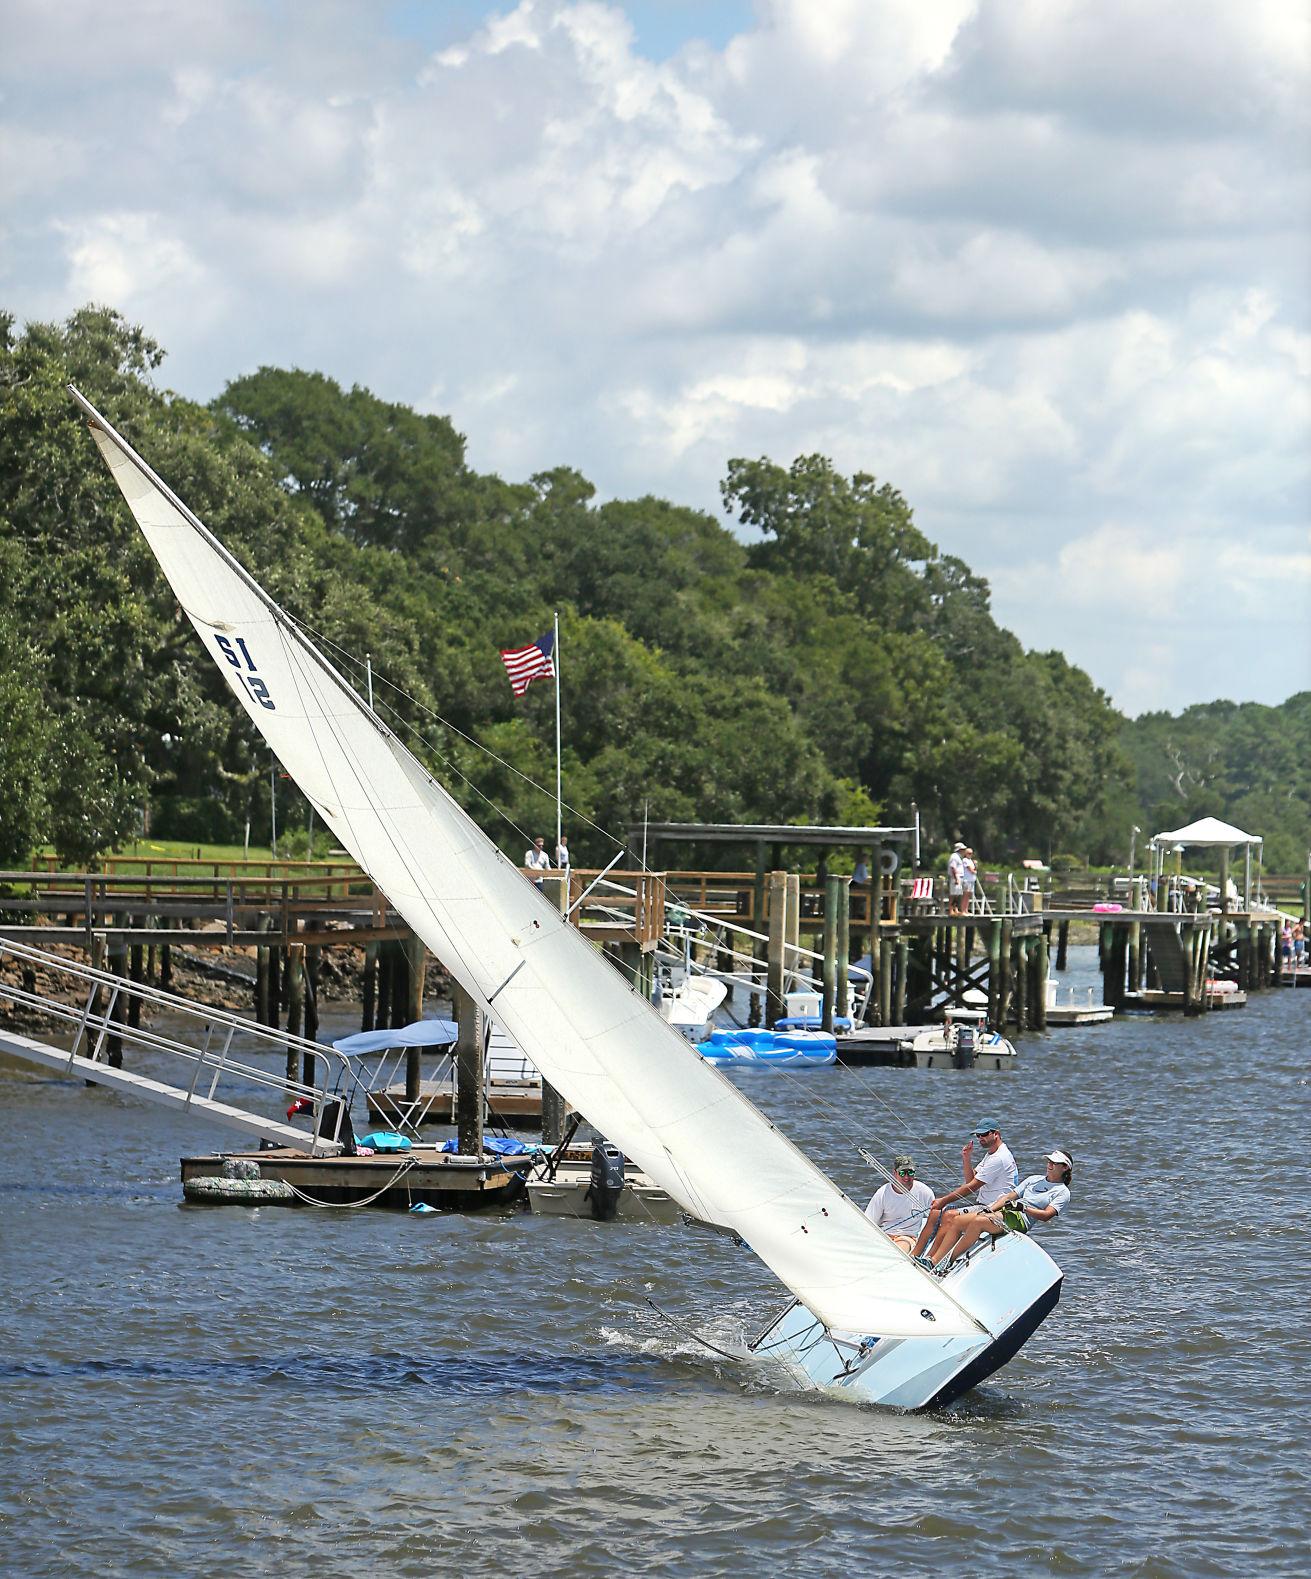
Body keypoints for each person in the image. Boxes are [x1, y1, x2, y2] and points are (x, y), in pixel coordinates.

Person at [926, 1150, 1073, 1269]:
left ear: (1065, 1168)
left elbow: (1047, 1215)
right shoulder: (1034, 1179)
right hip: (1005, 1213)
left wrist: (1023, 1208)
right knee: (957, 1220)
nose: (1050, 1165)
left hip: (1021, 1221)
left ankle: (947, 1262)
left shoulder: (1062, 1192)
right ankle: (933, 1260)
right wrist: (990, 1209)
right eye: (1049, 1161)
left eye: (1055, 1163)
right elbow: (1008, 1197)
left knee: (978, 1222)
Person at [911, 1121, 1018, 1260]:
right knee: (936, 1213)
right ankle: (917, 1254)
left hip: (993, 1208)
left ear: (996, 1134)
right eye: (978, 1135)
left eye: (984, 1134)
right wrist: (966, 1158)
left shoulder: (999, 1158)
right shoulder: (992, 1154)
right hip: (982, 1204)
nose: (980, 1138)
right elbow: (971, 1180)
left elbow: (972, 1187)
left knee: (949, 1214)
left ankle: (932, 1259)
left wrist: (943, 1200)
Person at [865, 1154, 934, 1253]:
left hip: (906, 1237)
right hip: (884, 1235)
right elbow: (870, 1221)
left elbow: (934, 1221)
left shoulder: (925, 1192)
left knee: (897, 1250)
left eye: (910, 1172)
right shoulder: (883, 1193)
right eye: (902, 1173)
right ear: (895, 1173)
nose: (906, 1177)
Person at [947, 843, 966, 916]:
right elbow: (953, 868)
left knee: (957, 894)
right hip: (955, 878)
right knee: (953, 894)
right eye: (963, 849)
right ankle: (951, 910)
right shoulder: (954, 857)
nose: (964, 851)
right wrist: (956, 878)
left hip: (959, 877)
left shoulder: (958, 857)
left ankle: (956, 909)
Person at [961, 847, 978, 914]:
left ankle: (966, 910)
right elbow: (971, 870)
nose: (970, 855)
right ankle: (963, 910)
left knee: (968, 896)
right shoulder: (965, 860)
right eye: (969, 853)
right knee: (965, 895)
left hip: (971, 880)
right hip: (966, 880)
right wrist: (974, 871)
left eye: (971, 853)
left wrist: (976, 865)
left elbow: (975, 869)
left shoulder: (971, 861)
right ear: (965, 854)